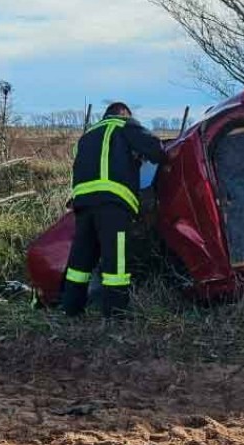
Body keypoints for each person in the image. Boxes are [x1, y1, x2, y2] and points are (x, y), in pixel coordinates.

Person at [62, 102, 167, 318]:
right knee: (115, 260)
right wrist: (139, 157)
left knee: (80, 259)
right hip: (113, 204)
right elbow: (156, 150)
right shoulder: (124, 125)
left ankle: (71, 308)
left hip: (83, 204)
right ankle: (115, 313)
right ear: (123, 114)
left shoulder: (87, 136)